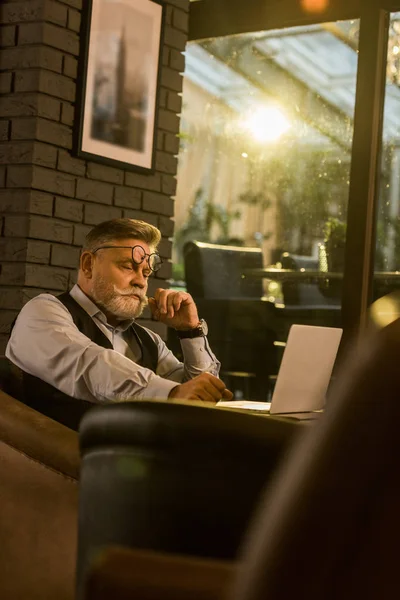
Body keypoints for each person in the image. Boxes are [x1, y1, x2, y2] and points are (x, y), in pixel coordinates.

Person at [6, 218, 233, 430]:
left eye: (146, 272)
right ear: (87, 265)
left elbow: (198, 396)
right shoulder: (43, 311)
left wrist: (190, 331)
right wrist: (172, 393)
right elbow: (89, 363)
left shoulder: (148, 339)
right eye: (128, 266)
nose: (140, 281)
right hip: (62, 463)